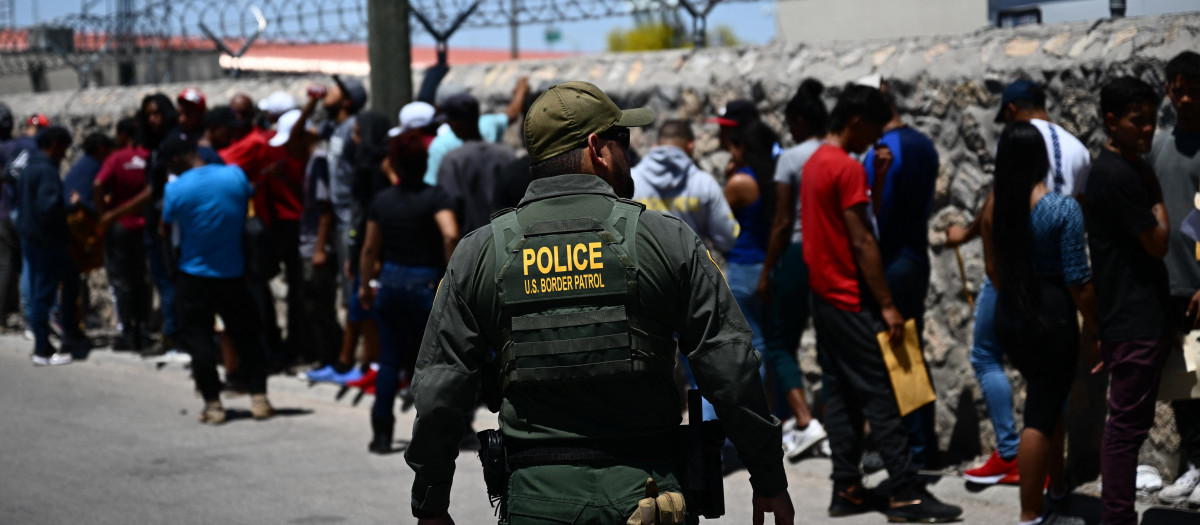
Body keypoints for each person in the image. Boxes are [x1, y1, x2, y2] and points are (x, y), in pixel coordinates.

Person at [405, 81, 795, 524]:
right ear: (598, 149)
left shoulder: (480, 253)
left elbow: (440, 391)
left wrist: (431, 503)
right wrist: (768, 479)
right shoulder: (666, 240)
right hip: (648, 496)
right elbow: (731, 368)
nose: (629, 153)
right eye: (622, 139)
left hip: (537, 501)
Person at [801, 84, 962, 522]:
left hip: (824, 298)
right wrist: (887, 305)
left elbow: (844, 218)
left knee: (845, 397)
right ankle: (907, 493)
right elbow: (862, 238)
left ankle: (846, 488)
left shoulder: (817, 162)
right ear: (855, 122)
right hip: (851, 298)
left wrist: (878, 180)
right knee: (882, 395)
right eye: (872, 131)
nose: (875, 142)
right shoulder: (846, 166)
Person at [950, 79, 1093, 486]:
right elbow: (1075, 218)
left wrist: (970, 236)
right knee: (1051, 390)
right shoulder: (1079, 150)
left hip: (1015, 279)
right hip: (1056, 283)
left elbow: (999, 204)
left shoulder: (1016, 141)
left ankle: (1012, 453)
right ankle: (1054, 476)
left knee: (985, 355)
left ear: (1012, 109)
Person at [991, 122, 1098, 525]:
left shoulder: (994, 206)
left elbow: (993, 267)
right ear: (1042, 158)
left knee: (1048, 402)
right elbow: (1078, 280)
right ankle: (1031, 516)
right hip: (1050, 314)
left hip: (1011, 311)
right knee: (1040, 413)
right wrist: (1098, 326)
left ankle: (1057, 488)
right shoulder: (1061, 208)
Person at [1085, 76, 1168, 525]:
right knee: (1125, 430)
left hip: (1130, 318)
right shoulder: (1120, 175)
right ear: (1111, 121)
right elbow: (1157, 242)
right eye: (1138, 122)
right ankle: (1116, 518)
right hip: (1135, 320)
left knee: (1127, 428)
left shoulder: (1118, 168)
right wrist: (1157, 194)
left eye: (1152, 121)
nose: (1148, 130)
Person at [160, 134, 273, 424]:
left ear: (175, 160)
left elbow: (167, 226)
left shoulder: (175, 190)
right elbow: (247, 200)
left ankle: (213, 404)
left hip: (193, 275)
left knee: (198, 341)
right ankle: (259, 398)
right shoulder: (234, 176)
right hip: (233, 273)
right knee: (247, 336)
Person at [358, 129, 459, 454]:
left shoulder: (382, 201)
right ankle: (438, 430)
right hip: (424, 286)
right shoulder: (435, 197)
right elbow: (451, 233)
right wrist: (450, 275)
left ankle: (382, 434)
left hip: (390, 283)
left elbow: (370, 250)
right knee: (432, 364)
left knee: (389, 362)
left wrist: (364, 285)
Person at [863, 77, 942, 469]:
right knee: (911, 352)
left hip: (890, 261)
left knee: (898, 357)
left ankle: (914, 449)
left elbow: (875, 217)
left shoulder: (882, 151)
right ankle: (922, 443)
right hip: (917, 257)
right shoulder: (923, 143)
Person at [758, 79, 829, 459]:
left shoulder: (790, 158)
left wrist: (768, 269)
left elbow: (783, 221)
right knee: (830, 343)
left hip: (798, 255)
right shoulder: (837, 152)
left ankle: (804, 421)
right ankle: (832, 426)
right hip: (832, 254)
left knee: (779, 341)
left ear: (800, 121)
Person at [1152, 50, 1200, 507]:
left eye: (1194, 89)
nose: (1186, 97)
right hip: (1169, 287)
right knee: (1185, 385)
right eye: (1178, 88)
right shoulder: (1159, 145)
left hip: (1199, 285)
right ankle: (1194, 466)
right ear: (1168, 91)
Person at [631, 119, 738, 254]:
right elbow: (727, 238)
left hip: (645, 271)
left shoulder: (630, 180)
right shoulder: (704, 183)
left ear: (656, 145)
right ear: (690, 146)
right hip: (691, 270)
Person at [95, 118, 153, 352]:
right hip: (145, 224)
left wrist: (104, 214)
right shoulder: (148, 156)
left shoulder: (117, 158)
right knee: (143, 279)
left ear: (121, 134)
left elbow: (98, 184)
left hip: (120, 226)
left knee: (122, 281)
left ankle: (127, 333)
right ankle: (143, 329)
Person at [18, 126, 74, 366]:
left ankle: (43, 345)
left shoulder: (29, 167)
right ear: (55, 146)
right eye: (63, 149)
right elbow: (48, 207)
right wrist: (70, 205)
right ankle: (43, 348)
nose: (64, 155)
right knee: (43, 295)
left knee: (38, 292)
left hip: (32, 238)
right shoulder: (46, 171)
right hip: (46, 241)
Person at [423, 77, 529, 185]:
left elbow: (433, 185)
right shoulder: (489, 124)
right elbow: (512, 113)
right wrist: (521, 90)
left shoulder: (440, 145)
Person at [436, 93, 516, 234]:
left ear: (455, 125)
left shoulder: (452, 161)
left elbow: (450, 206)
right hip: (509, 239)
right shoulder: (507, 154)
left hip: (472, 245)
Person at [0, 103, 21, 329]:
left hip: (4, 212)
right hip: (17, 210)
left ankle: (3, 315)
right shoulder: (18, 146)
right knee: (20, 265)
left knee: (5, 265)